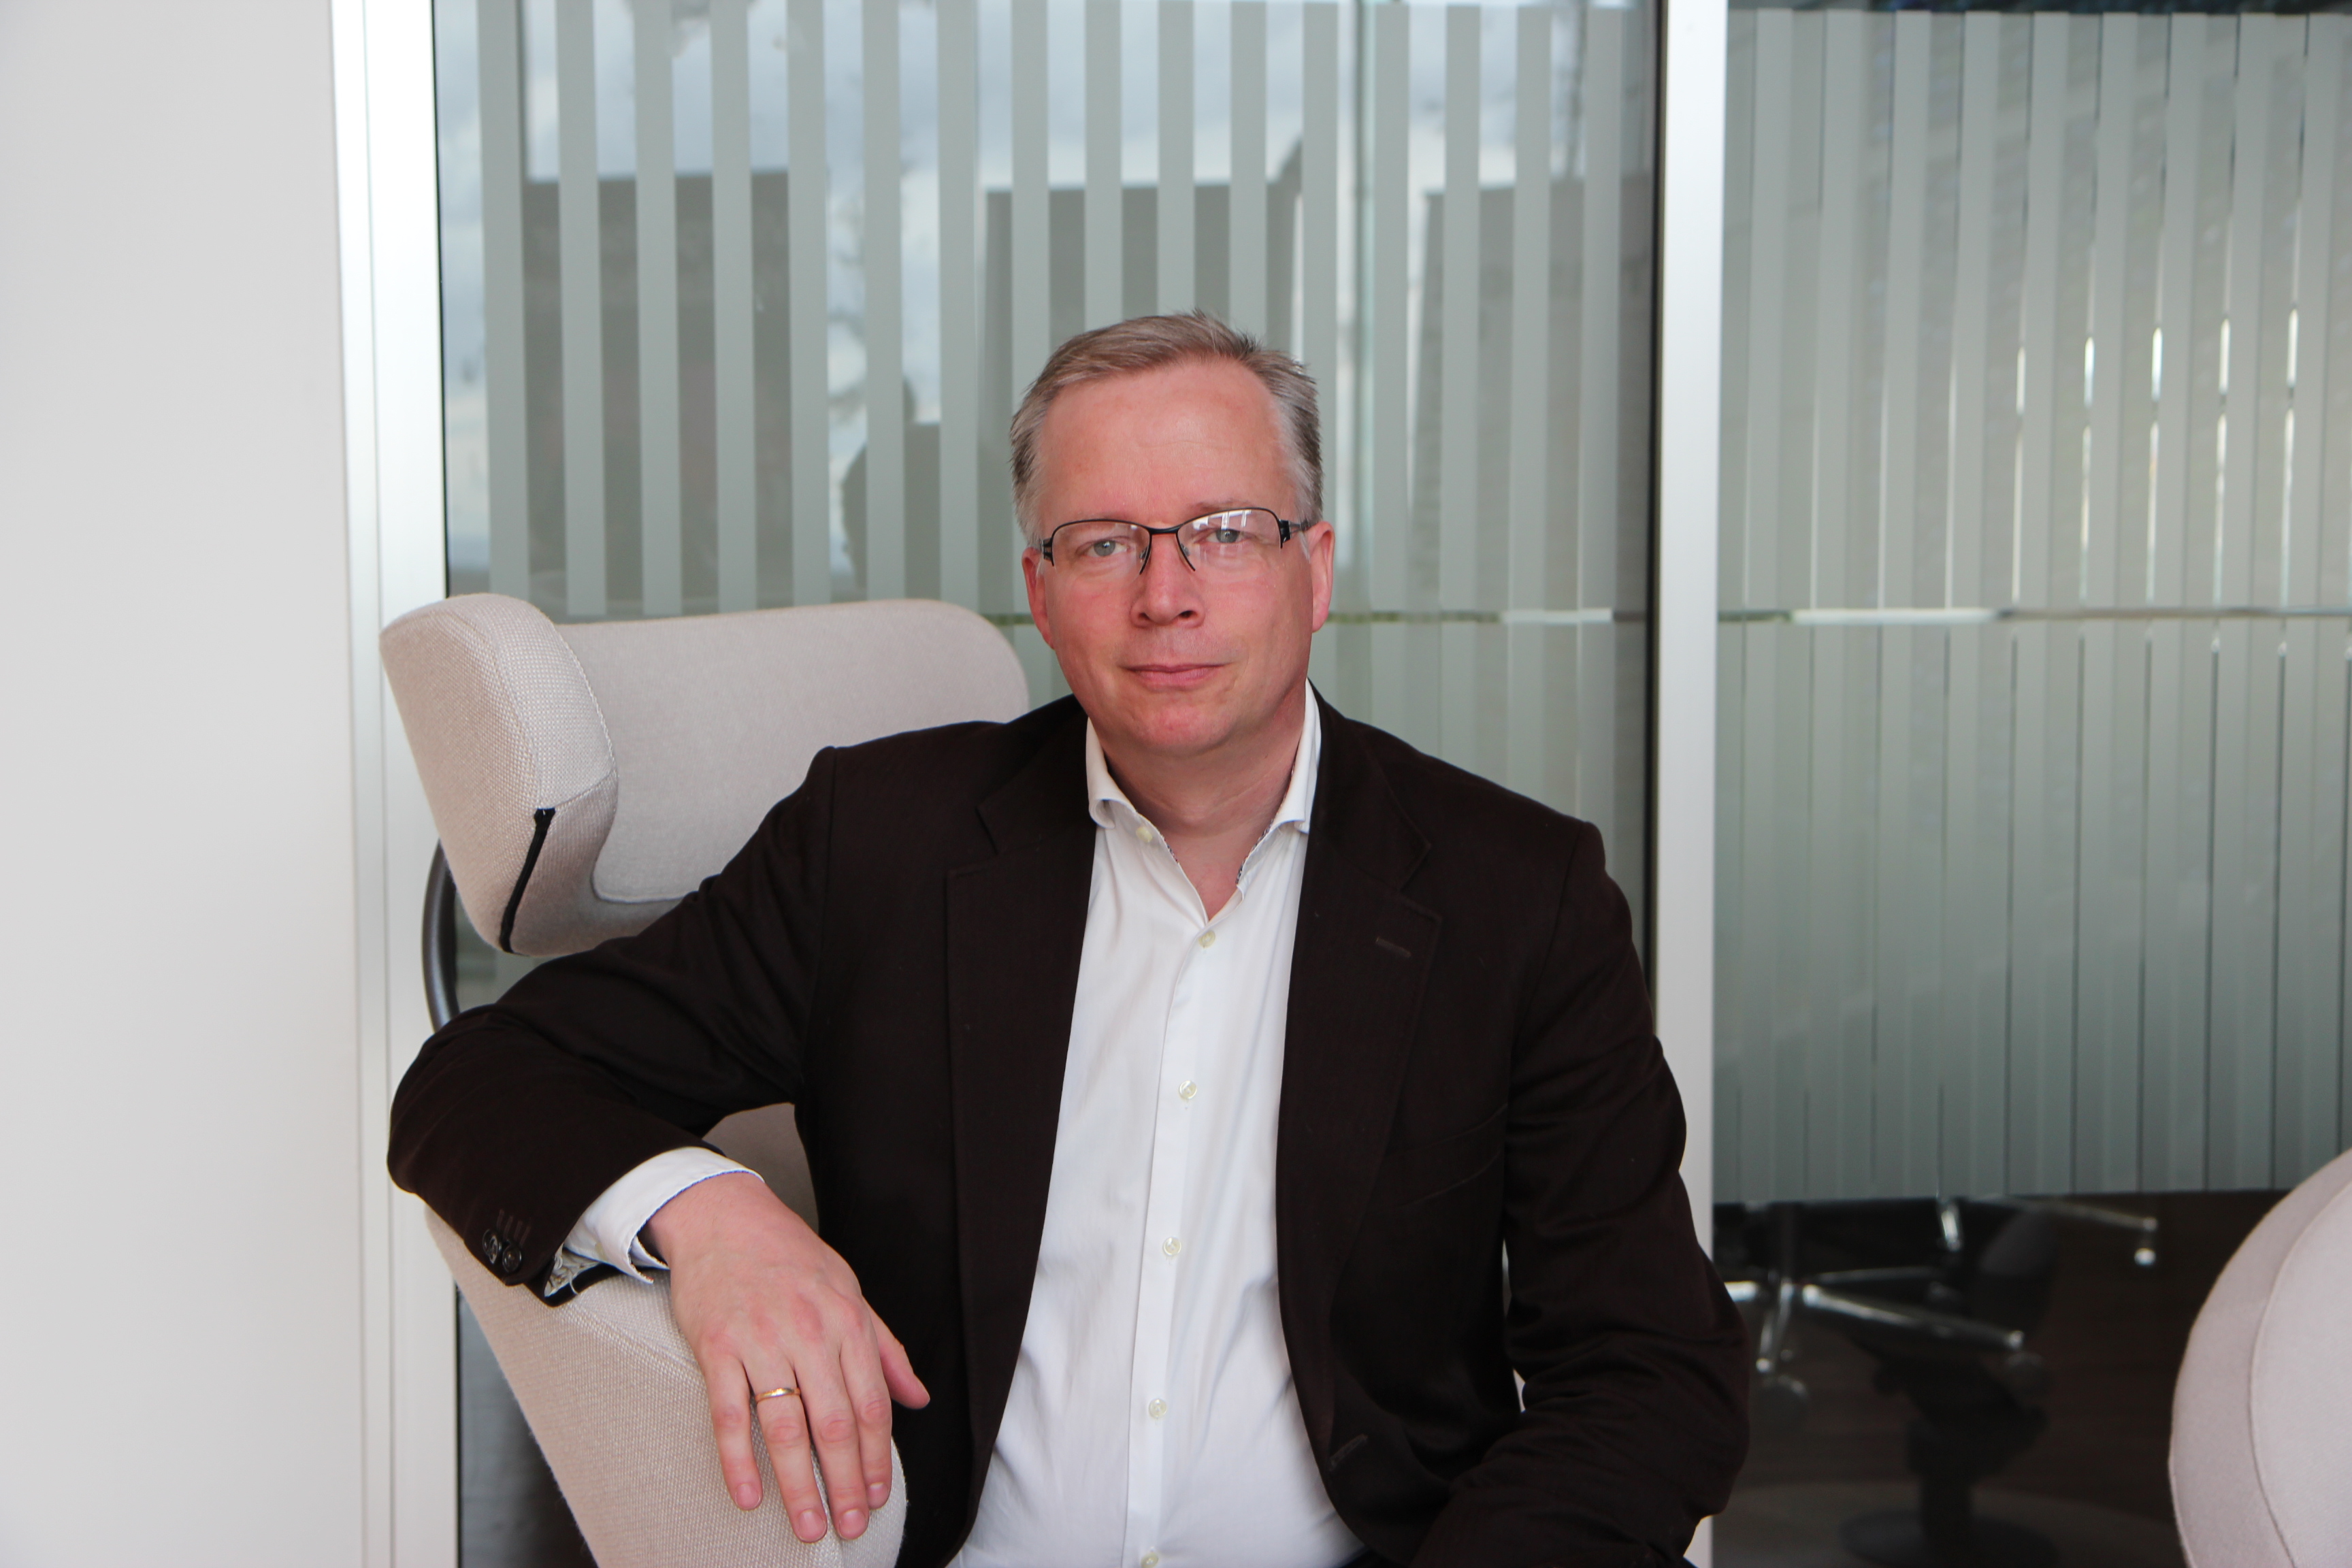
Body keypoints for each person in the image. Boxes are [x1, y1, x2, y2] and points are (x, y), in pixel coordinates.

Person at [390, 312, 1747, 1568]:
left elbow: (1650, 1371)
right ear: (1041, 595)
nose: (1166, 594)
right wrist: (713, 1214)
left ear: (1315, 570)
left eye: (1224, 532)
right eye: (1104, 543)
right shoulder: (882, 847)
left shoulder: (1516, 895)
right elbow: (477, 1081)